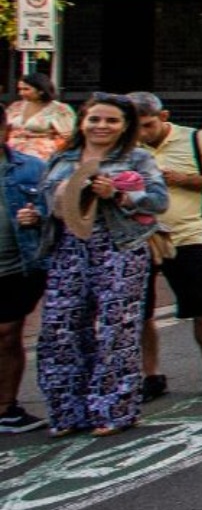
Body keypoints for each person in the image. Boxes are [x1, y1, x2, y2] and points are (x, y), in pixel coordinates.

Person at [37, 94, 169, 437]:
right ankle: (67, 411)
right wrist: (36, 213)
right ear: (82, 121)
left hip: (119, 247)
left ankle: (113, 410)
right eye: (95, 119)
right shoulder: (63, 158)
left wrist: (119, 194)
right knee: (60, 328)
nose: (101, 126)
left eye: (111, 121)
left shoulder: (137, 158)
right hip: (68, 249)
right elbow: (45, 203)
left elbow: (158, 200)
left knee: (116, 329)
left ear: (125, 126)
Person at [133, 94, 202, 401]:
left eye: (149, 125)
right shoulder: (125, 146)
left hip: (185, 235)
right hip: (137, 239)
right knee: (141, 311)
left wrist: (185, 179)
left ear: (163, 116)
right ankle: (150, 374)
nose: (143, 133)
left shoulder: (196, 139)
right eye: (136, 127)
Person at [0, 105, 49, 433]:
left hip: (16, 266)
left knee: (6, 334)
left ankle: (7, 408)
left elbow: (55, 213)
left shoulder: (31, 168)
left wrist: (38, 216)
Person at [9, 73, 77, 162]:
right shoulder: (16, 106)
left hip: (41, 156)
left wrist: (52, 150)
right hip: (11, 153)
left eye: (26, 89)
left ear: (41, 90)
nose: (21, 93)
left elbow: (69, 137)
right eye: (20, 89)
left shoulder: (59, 109)